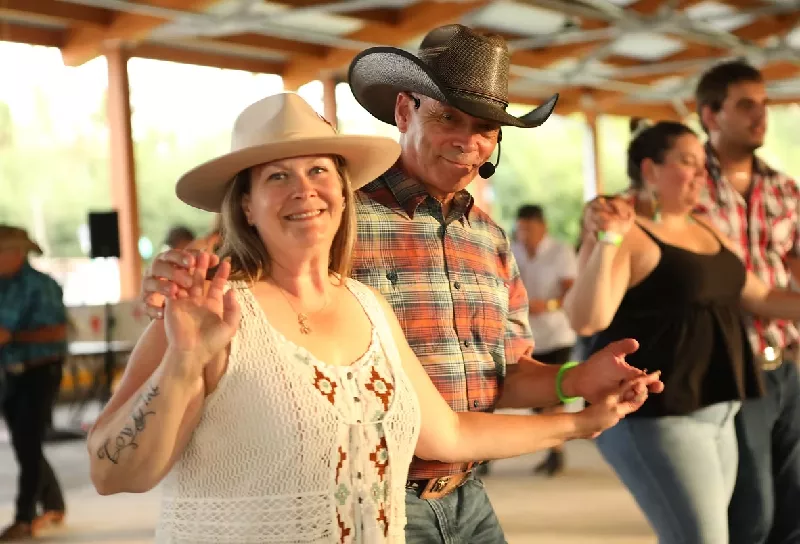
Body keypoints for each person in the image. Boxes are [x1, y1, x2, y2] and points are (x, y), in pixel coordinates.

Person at [139, 25, 663, 543]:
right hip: (367, 493)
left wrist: (575, 379)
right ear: (404, 110)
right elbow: (227, 271)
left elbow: (502, 376)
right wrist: (168, 280)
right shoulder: (333, 218)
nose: (469, 141)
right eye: (448, 118)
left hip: (467, 492)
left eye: (486, 128)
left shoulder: (490, 240)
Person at [583, 60, 800, 544]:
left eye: (765, 105)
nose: (760, 116)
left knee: (772, 517)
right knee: (730, 527)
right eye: (746, 105)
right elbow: (592, 305)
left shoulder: (758, 203)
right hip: (684, 391)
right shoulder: (648, 207)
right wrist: (599, 230)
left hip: (751, 384)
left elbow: (767, 292)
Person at [0, 226, 67, 541]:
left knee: (27, 443)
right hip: (11, 370)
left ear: (16, 253)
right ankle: (53, 503)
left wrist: (13, 337)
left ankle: (25, 517)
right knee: (25, 443)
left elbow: (57, 333)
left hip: (41, 371)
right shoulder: (3, 286)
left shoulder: (42, 286)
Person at [512, 204, 578, 477]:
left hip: (557, 332)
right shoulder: (513, 250)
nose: (525, 234)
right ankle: (554, 448)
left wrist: (548, 304)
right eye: (521, 228)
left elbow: (572, 293)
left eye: (530, 228)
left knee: (554, 394)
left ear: (543, 226)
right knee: (536, 398)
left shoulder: (560, 252)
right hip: (525, 335)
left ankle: (555, 452)